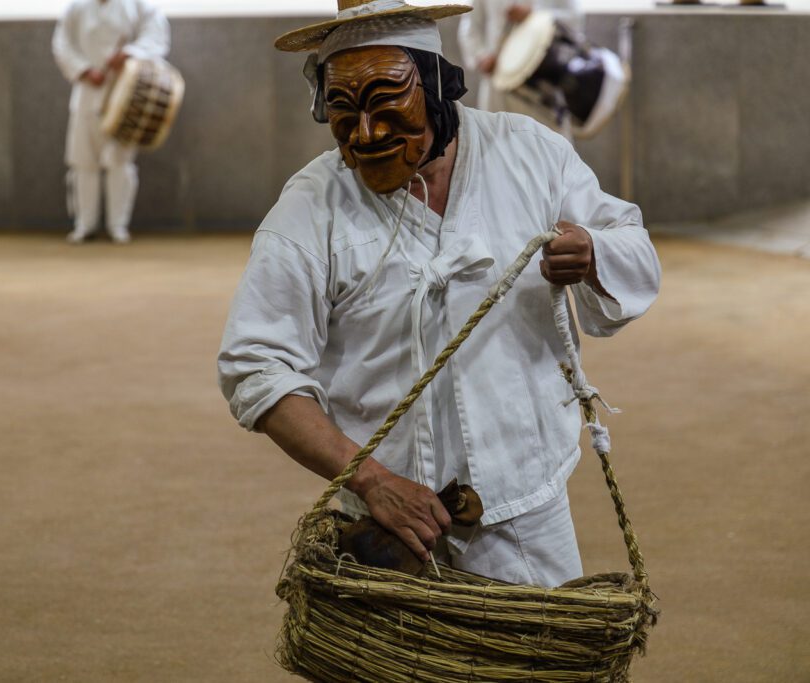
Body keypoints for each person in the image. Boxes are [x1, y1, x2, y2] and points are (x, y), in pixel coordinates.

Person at [217, 0, 660, 588]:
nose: (367, 133)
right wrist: (371, 480)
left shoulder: (530, 155)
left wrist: (593, 252)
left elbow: (632, 243)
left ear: (438, 87)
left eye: (386, 102)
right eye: (344, 111)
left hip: (527, 507)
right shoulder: (310, 208)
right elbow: (256, 366)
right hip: (388, 533)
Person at [52, 0, 170, 244]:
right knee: (83, 162)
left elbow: (156, 33)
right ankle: (85, 224)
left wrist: (129, 53)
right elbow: (62, 44)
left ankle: (118, 225)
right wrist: (84, 70)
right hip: (86, 92)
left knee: (120, 160)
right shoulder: (77, 8)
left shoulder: (137, 6)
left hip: (126, 92)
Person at [457, 0, 581, 114]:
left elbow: (574, 17)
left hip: (545, 77)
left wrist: (533, 14)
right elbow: (469, 24)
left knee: (547, 135)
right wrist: (480, 56)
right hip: (498, 77)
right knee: (496, 133)